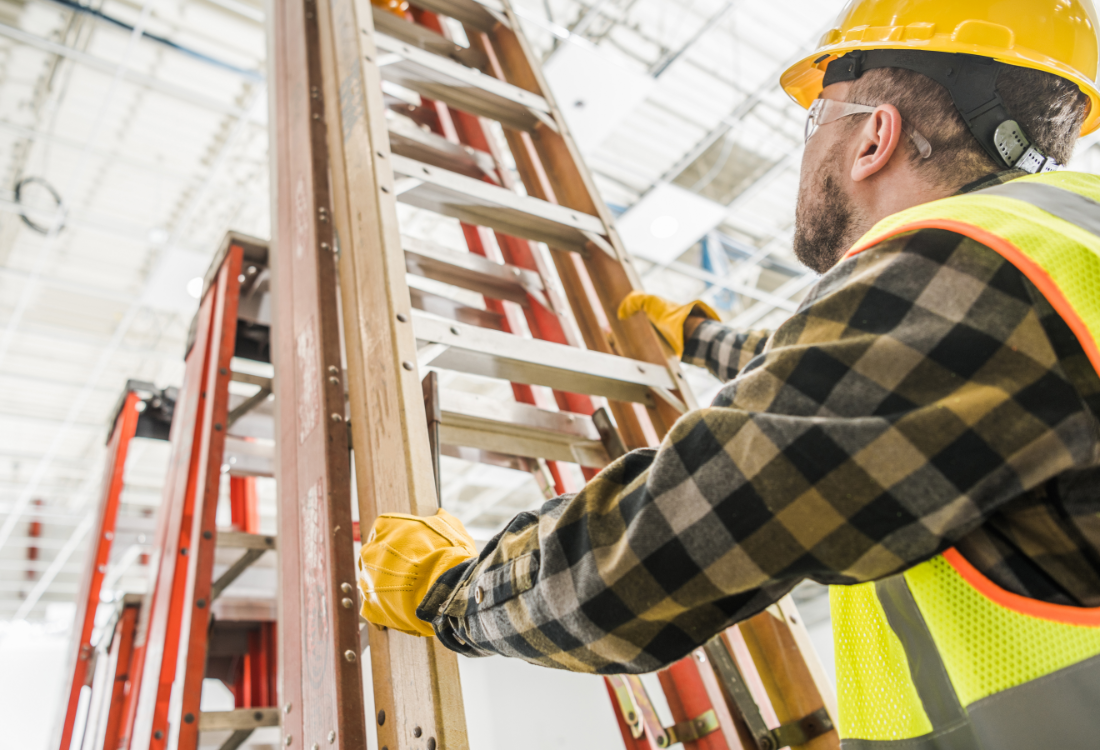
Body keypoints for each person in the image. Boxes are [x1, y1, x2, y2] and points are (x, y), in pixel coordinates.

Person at [359, 1, 1100, 746]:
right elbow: (875, 391)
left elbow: (674, 536)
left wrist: (452, 591)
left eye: (820, 118)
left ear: (877, 135)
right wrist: (703, 338)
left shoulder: (966, 265)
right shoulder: (1056, 255)